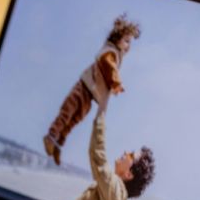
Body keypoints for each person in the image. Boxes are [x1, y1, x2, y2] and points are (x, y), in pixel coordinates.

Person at [44, 14, 141, 165]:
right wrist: (116, 83)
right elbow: (108, 66)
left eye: (130, 43)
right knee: (67, 111)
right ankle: (51, 136)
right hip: (83, 87)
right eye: (126, 41)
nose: (128, 45)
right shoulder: (110, 51)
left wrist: (113, 86)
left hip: (91, 95)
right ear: (117, 38)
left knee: (75, 119)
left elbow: (111, 71)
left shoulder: (117, 56)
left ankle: (59, 144)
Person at [69, 92, 156, 200]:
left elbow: (98, 157)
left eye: (131, 155)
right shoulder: (113, 193)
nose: (126, 152)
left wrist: (101, 112)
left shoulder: (116, 195)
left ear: (128, 174)